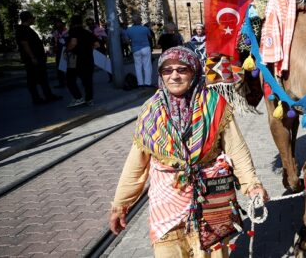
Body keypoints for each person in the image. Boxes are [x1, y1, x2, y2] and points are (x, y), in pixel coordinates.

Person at [109, 46, 269, 257]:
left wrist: (252, 185)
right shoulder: (150, 111)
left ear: (194, 72)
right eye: (167, 70)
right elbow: (136, 164)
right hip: (167, 201)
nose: (174, 76)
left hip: (211, 198)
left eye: (182, 69)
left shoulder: (215, 104)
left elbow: (236, 149)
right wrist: (121, 204)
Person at [15, 11, 62, 105]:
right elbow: (25, 44)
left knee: (42, 77)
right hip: (33, 58)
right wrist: (32, 57)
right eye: (33, 18)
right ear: (28, 19)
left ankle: (48, 95)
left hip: (37, 57)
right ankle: (37, 99)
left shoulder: (26, 29)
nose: (34, 19)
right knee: (33, 79)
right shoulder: (22, 30)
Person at [65, 15, 99, 107]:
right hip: (88, 59)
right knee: (88, 81)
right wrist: (87, 49)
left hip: (75, 60)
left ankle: (78, 98)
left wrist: (67, 50)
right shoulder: (87, 32)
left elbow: (73, 43)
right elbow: (97, 44)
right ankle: (90, 100)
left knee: (70, 80)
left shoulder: (73, 32)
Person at [124, 14, 154, 87]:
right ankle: (148, 83)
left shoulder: (128, 30)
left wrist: (132, 43)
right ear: (140, 21)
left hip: (135, 49)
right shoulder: (145, 29)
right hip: (146, 48)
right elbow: (150, 37)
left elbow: (127, 41)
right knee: (147, 66)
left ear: (133, 21)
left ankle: (140, 83)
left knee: (138, 66)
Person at [51, 19, 68, 88]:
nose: (57, 24)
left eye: (59, 23)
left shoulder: (67, 31)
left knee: (68, 67)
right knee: (59, 67)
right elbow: (53, 41)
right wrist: (54, 46)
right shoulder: (55, 32)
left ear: (62, 23)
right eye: (56, 23)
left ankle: (69, 81)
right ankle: (61, 82)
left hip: (66, 50)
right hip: (59, 51)